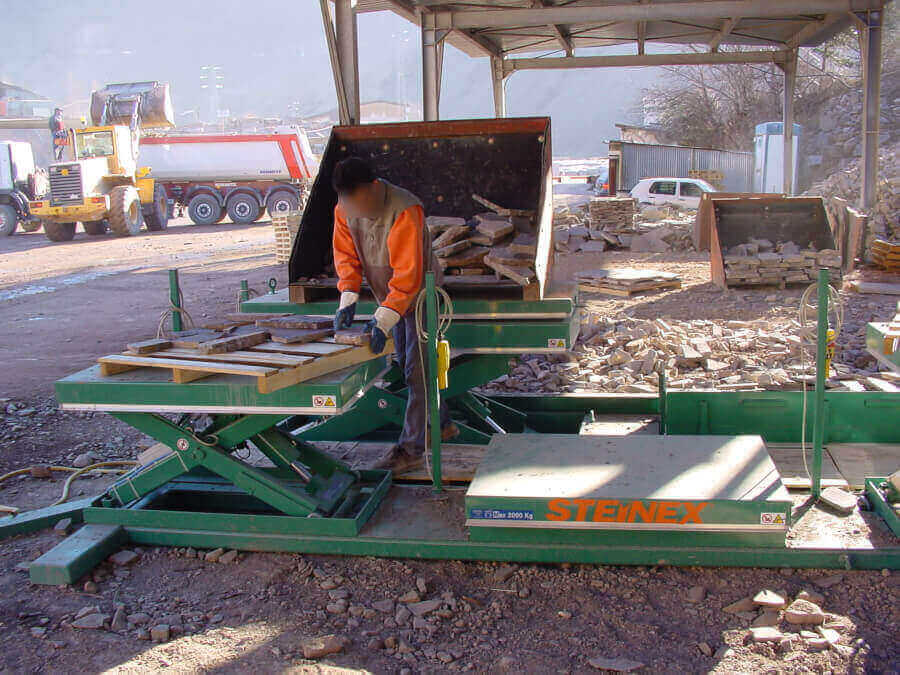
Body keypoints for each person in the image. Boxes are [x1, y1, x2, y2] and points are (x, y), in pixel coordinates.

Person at [331, 157, 456, 473]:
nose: (356, 210)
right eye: (349, 203)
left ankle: (411, 449)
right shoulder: (344, 207)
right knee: (408, 363)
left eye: (360, 202)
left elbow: (408, 276)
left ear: (374, 187)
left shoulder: (404, 209)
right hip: (388, 297)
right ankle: (442, 425)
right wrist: (347, 299)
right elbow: (345, 256)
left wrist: (381, 321)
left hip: (420, 296)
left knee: (418, 372)